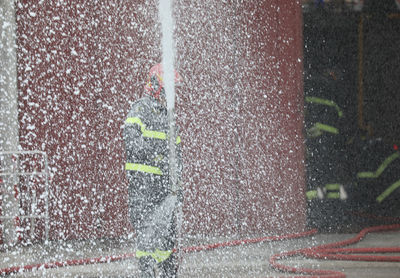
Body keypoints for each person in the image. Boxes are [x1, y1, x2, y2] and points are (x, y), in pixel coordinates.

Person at [123, 64, 183, 277]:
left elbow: (177, 157)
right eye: (169, 87)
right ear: (157, 85)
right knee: (147, 243)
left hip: (163, 191)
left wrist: (178, 188)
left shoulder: (167, 117)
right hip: (143, 189)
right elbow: (131, 142)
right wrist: (155, 149)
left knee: (166, 243)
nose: (172, 93)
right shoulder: (141, 109)